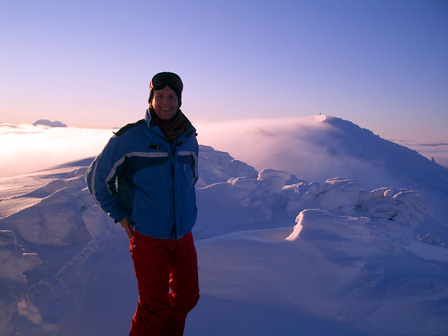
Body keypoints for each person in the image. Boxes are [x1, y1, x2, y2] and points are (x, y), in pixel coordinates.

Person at [85, 72, 199, 336]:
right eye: (159, 97)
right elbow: (95, 180)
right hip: (148, 236)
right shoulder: (130, 138)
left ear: (179, 100)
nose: (165, 102)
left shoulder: (189, 137)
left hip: (183, 235)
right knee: (153, 306)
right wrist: (119, 213)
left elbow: (191, 178)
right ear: (151, 100)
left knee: (187, 298)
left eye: (171, 97)